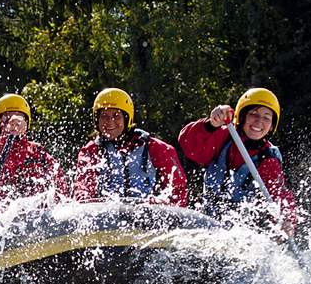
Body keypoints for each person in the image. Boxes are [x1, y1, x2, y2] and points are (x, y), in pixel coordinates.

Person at [178, 87, 297, 236]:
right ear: (242, 117)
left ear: (272, 125)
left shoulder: (268, 158)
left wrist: (287, 219)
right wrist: (211, 124)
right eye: (254, 114)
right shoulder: (224, 136)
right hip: (207, 223)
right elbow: (190, 146)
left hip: (241, 233)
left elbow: (278, 193)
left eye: (266, 117)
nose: (259, 121)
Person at [73, 88, 187, 206]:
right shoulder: (91, 151)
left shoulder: (155, 148)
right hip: (106, 217)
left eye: (117, 116)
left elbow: (178, 190)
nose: (110, 122)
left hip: (148, 216)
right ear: (97, 120)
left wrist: (166, 203)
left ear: (127, 118)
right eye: (104, 116)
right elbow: (83, 188)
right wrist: (88, 201)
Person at [0, 93, 68, 214]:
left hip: (35, 216)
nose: (13, 123)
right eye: (6, 119)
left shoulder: (37, 151)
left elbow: (60, 183)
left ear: (26, 123)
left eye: (18, 118)